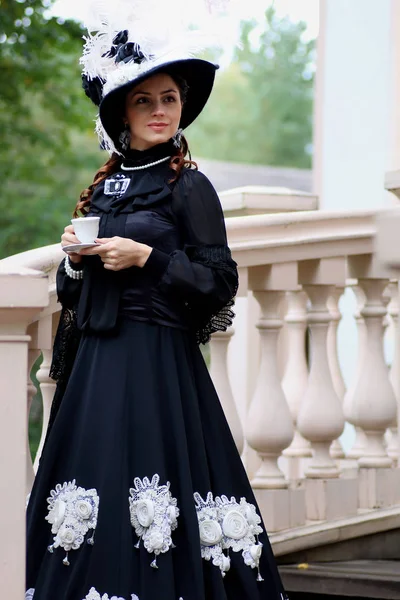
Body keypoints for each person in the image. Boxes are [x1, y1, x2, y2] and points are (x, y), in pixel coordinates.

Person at [26, 3, 288, 599]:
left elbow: (221, 283)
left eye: (169, 98)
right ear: (123, 112)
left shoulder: (188, 184)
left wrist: (148, 259)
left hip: (157, 365)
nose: (160, 111)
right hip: (95, 367)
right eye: (145, 101)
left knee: (156, 485)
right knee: (90, 484)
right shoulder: (104, 184)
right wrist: (74, 259)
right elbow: (72, 295)